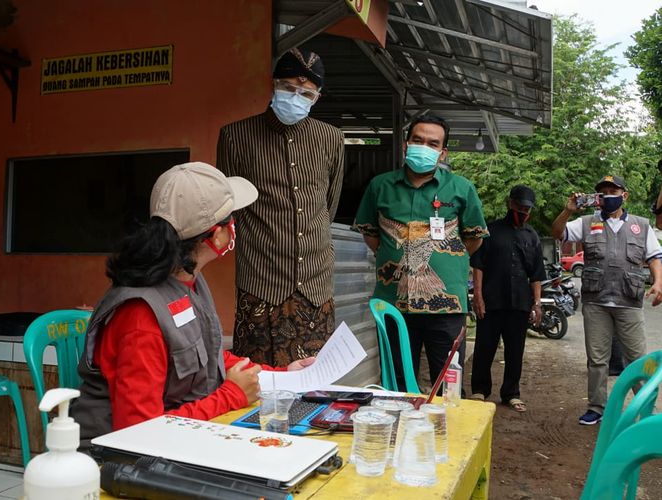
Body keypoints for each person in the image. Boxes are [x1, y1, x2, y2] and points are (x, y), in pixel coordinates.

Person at [71, 162, 315, 447]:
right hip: (115, 459)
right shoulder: (140, 318)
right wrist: (230, 396)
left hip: (177, 439)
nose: (236, 226)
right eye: (231, 219)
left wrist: (284, 376)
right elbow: (137, 434)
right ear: (215, 236)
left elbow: (206, 355)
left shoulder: (188, 280)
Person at [217, 47, 345, 367]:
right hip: (261, 282)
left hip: (315, 285)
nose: (296, 96)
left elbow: (329, 202)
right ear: (273, 85)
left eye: (306, 92)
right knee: (259, 382)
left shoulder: (331, 138)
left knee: (316, 380)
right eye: (288, 88)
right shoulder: (235, 136)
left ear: (317, 97)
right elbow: (229, 204)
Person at [353, 114, 489, 392]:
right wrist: (400, 258)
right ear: (406, 145)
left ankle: (447, 434)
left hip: (445, 305)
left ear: (442, 152)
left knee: (448, 384)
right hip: (394, 303)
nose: (423, 147)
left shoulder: (461, 189)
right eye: (418, 140)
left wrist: (443, 260)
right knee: (398, 384)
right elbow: (372, 235)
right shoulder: (380, 186)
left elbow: (472, 240)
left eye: (432, 143)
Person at [551, 175, 662, 425]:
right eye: (603, 191)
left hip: (629, 302)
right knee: (597, 359)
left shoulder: (641, 225)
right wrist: (567, 211)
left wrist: (658, 282)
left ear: (625, 195)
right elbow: (558, 233)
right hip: (597, 302)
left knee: (638, 359)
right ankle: (596, 407)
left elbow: (655, 257)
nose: (608, 195)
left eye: (613, 190)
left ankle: (645, 410)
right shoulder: (587, 222)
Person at [470, 185, 547, 412]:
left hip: (519, 304)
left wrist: (537, 303)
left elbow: (536, 274)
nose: (523, 212)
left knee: (516, 351)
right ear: (510, 203)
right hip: (492, 301)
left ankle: (511, 393)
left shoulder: (532, 236)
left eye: (527, 209)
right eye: (519, 207)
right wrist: (478, 296)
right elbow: (478, 265)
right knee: (484, 347)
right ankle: (479, 390)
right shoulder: (490, 231)